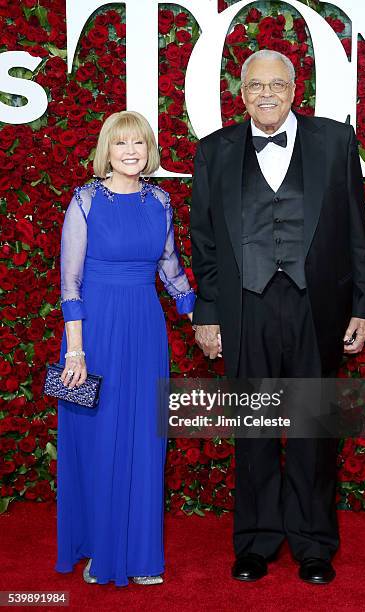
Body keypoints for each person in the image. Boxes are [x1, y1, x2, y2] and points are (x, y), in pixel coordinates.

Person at [190, 50, 365, 584]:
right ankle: (256, 541)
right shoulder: (214, 151)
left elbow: (356, 232)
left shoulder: (335, 142)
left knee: (313, 429)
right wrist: (207, 311)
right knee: (253, 431)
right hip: (243, 309)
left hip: (315, 306)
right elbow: (203, 242)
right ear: (241, 92)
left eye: (276, 84)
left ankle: (314, 544)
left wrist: (362, 305)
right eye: (255, 86)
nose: (266, 94)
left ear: (295, 89)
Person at [55, 110, 195, 587]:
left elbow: (170, 269)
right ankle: (100, 549)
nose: (131, 152)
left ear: (149, 150)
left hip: (145, 331)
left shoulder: (161, 200)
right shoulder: (86, 201)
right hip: (93, 336)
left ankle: (139, 555)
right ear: (106, 151)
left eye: (139, 143)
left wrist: (207, 319)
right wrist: (75, 352)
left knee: (143, 441)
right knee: (97, 443)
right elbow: (70, 282)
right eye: (121, 144)